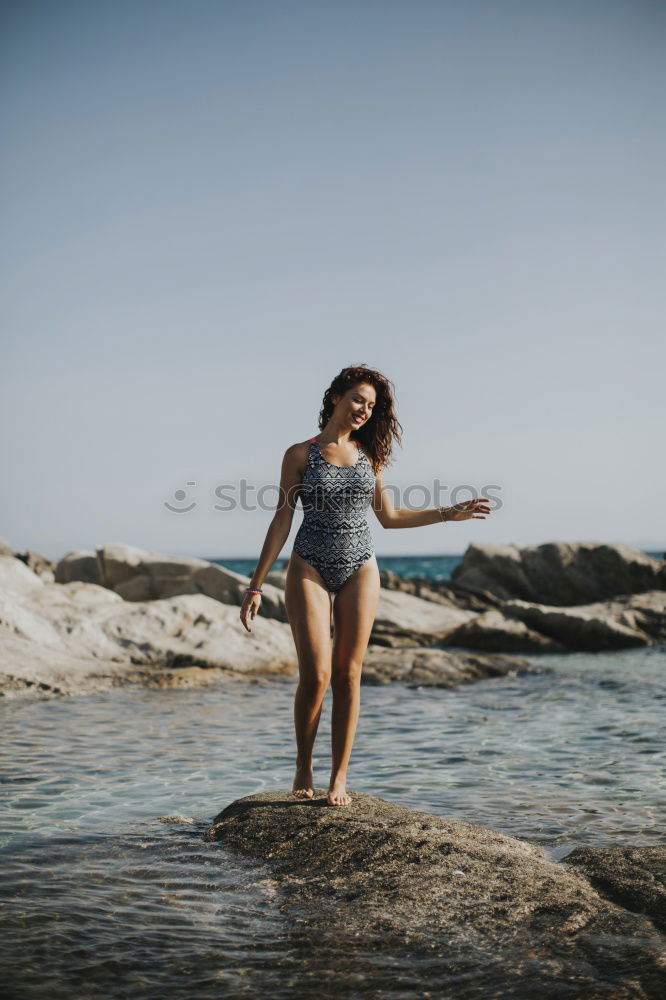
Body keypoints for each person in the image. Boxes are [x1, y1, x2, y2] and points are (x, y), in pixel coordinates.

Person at [239, 364, 491, 807]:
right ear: (336, 397)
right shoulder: (300, 453)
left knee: (348, 675)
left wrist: (447, 513)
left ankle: (339, 779)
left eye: (371, 406)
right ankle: (304, 765)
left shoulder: (369, 457)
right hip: (309, 564)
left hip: (361, 566)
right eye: (358, 399)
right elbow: (282, 519)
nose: (363, 410)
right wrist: (255, 585)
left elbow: (389, 519)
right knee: (315, 676)